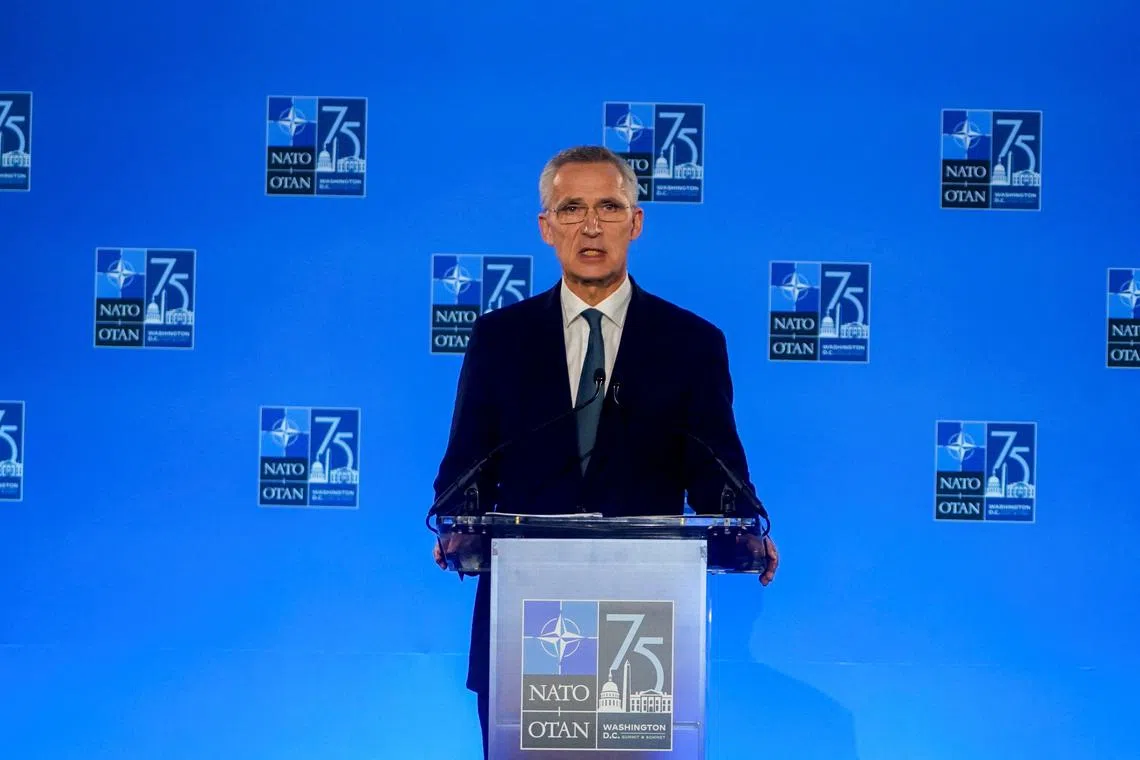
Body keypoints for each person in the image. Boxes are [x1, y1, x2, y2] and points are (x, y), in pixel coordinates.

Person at [431, 145, 779, 758]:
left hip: (643, 628)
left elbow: (716, 469)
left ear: (635, 222)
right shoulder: (500, 340)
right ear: (546, 227)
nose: (591, 226)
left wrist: (742, 528)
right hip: (525, 623)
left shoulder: (690, 343)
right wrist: (461, 526)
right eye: (571, 208)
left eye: (609, 207)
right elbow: (465, 470)